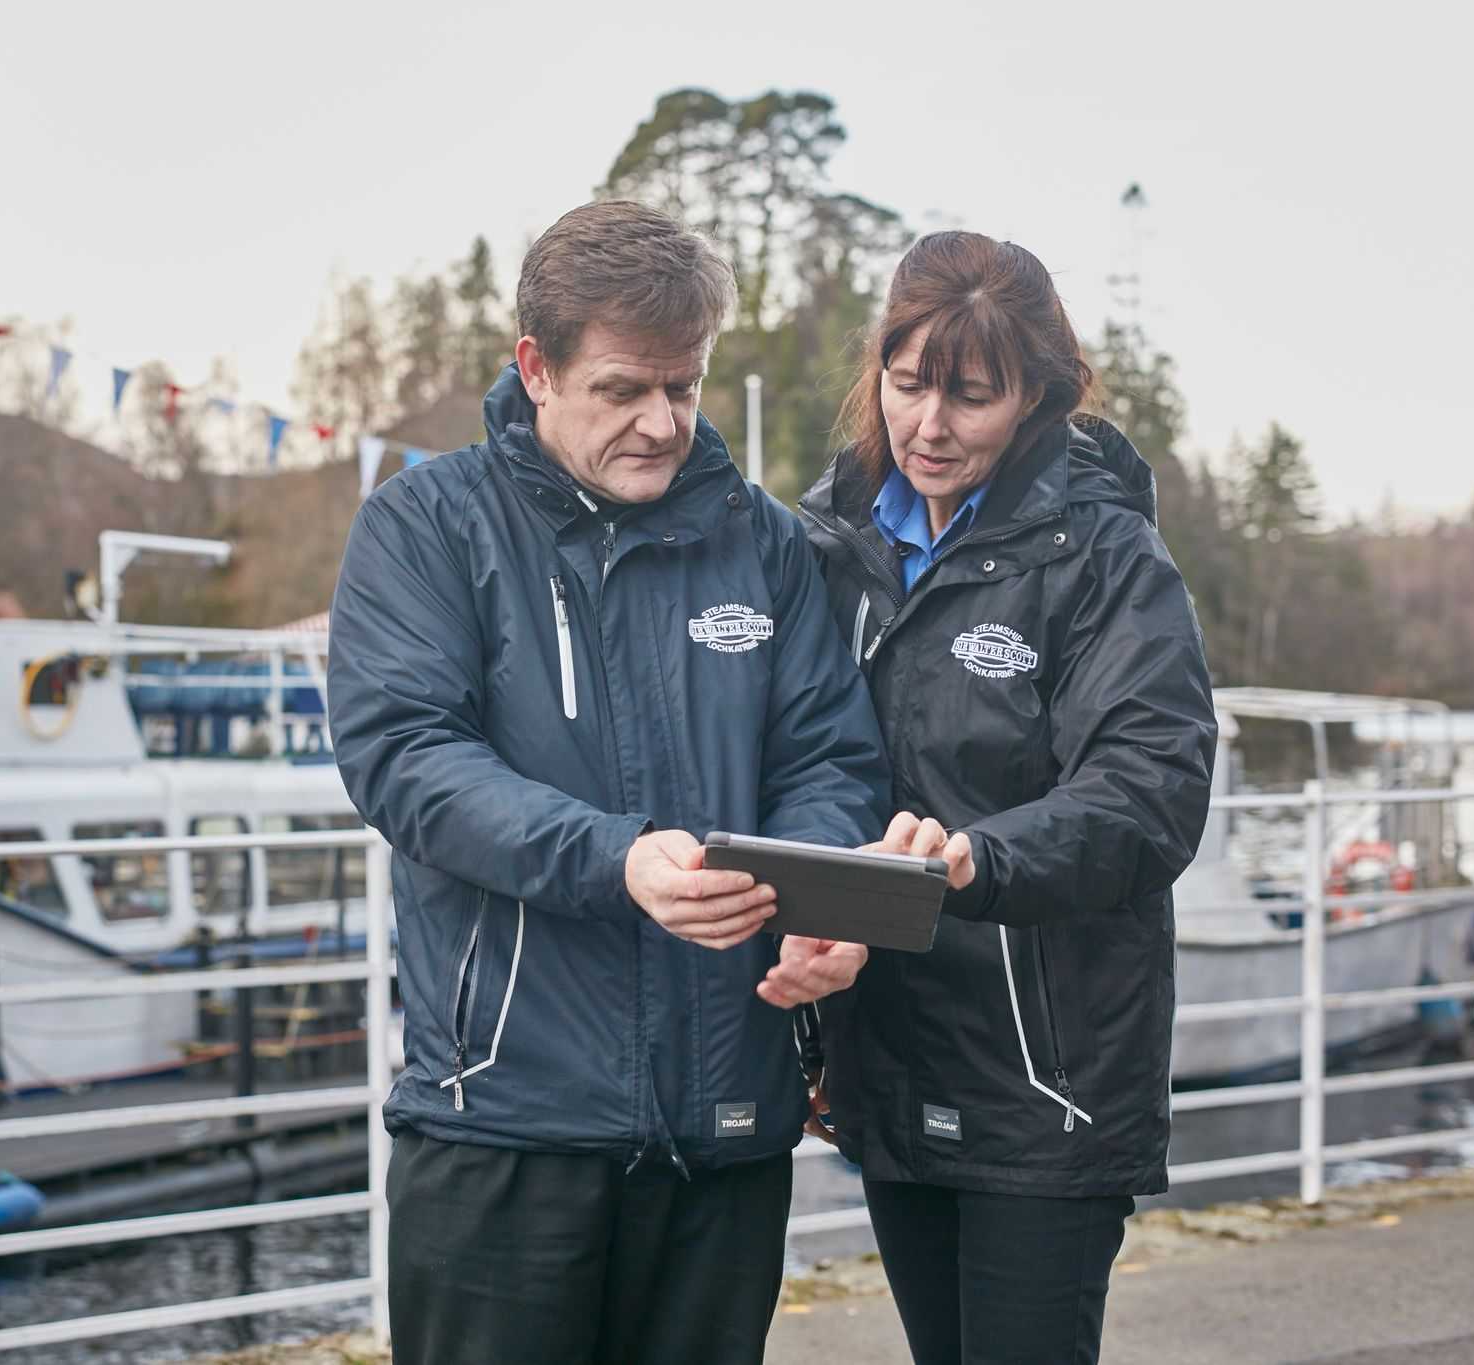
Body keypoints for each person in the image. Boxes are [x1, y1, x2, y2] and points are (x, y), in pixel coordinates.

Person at [328, 200, 892, 1365]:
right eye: (623, 389)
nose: (660, 423)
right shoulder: (424, 528)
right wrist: (615, 857)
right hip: (502, 1130)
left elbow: (827, 759)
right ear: (534, 368)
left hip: (724, 1132)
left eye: (682, 389)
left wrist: (820, 907)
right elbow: (405, 759)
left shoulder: (764, 543)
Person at [797, 230, 1219, 1365]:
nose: (927, 427)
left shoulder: (1107, 561)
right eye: (905, 386)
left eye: (969, 397)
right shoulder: (825, 540)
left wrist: (969, 861)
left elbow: (1149, 792)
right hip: (883, 1054)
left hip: (1045, 1075)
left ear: (1035, 393)